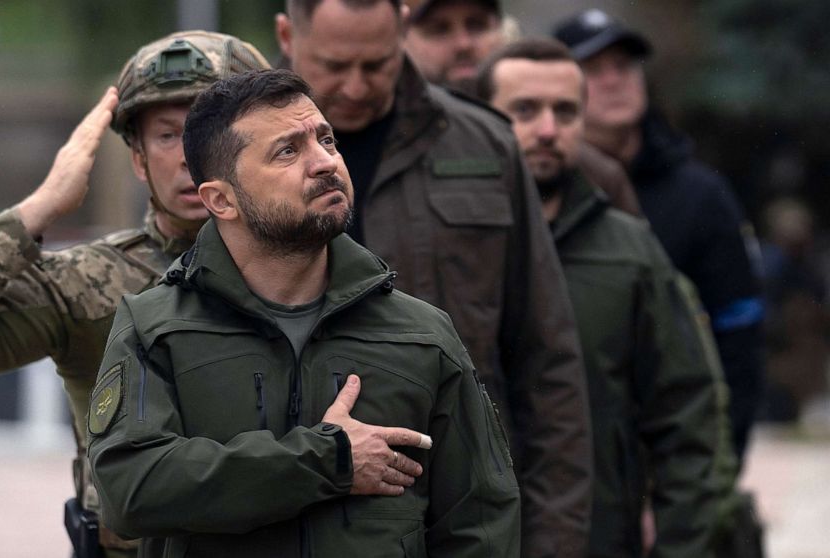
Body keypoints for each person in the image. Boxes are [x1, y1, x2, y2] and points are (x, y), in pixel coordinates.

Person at [87, 68, 521, 558]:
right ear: (221, 200)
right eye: (288, 151)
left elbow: (481, 523)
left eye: (326, 140)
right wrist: (328, 460)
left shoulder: (422, 334)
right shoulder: (155, 327)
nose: (325, 163)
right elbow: (130, 489)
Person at [0, 30, 270, 558]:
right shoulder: (92, 281)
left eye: (208, 130)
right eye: (168, 136)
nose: (190, 156)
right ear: (138, 159)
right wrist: (39, 208)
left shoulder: (311, 263)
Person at [275, 1, 591, 556]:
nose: (354, 86)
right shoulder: (238, 156)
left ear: (402, 31)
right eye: (333, 64)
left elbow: (548, 358)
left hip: (458, 507)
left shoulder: (484, 145)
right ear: (286, 36)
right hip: (292, 508)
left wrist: (554, 537)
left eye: (376, 64)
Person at [478, 36, 736, 558]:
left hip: (599, 536)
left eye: (566, 111)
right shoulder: (447, 242)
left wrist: (681, 546)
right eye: (524, 111)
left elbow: (689, 417)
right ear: (479, 117)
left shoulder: (630, 250)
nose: (548, 130)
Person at [554, 9, 766, 463]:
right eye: (592, 69)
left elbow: (739, 333)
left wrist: (722, 457)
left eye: (625, 67)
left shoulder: (700, 194)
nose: (614, 81)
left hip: (678, 442)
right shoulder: (539, 193)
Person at [401, 0, 642, 216]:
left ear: (502, 30)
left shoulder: (593, 175)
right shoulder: (390, 148)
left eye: (477, 25)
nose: (463, 44)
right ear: (401, 37)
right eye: (439, 29)